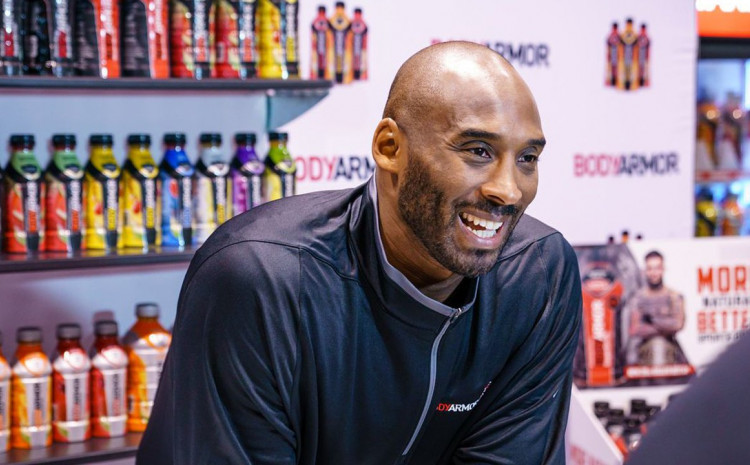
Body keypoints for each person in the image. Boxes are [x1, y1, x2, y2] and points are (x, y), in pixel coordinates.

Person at [138, 41, 582, 464]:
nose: (508, 190)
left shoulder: (538, 273)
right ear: (390, 148)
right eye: (478, 151)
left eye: (527, 158)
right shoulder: (259, 277)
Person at [623, 251, 691, 385]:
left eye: (657, 268)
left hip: (671, 352)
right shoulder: (637, 298)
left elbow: (678, 324)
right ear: (645, 271)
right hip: (643, 353)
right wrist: (665, 325)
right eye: (650, 268)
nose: (654, 273)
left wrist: (652, 320)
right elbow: (635, 329)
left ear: (663, 269)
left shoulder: (674, 296)